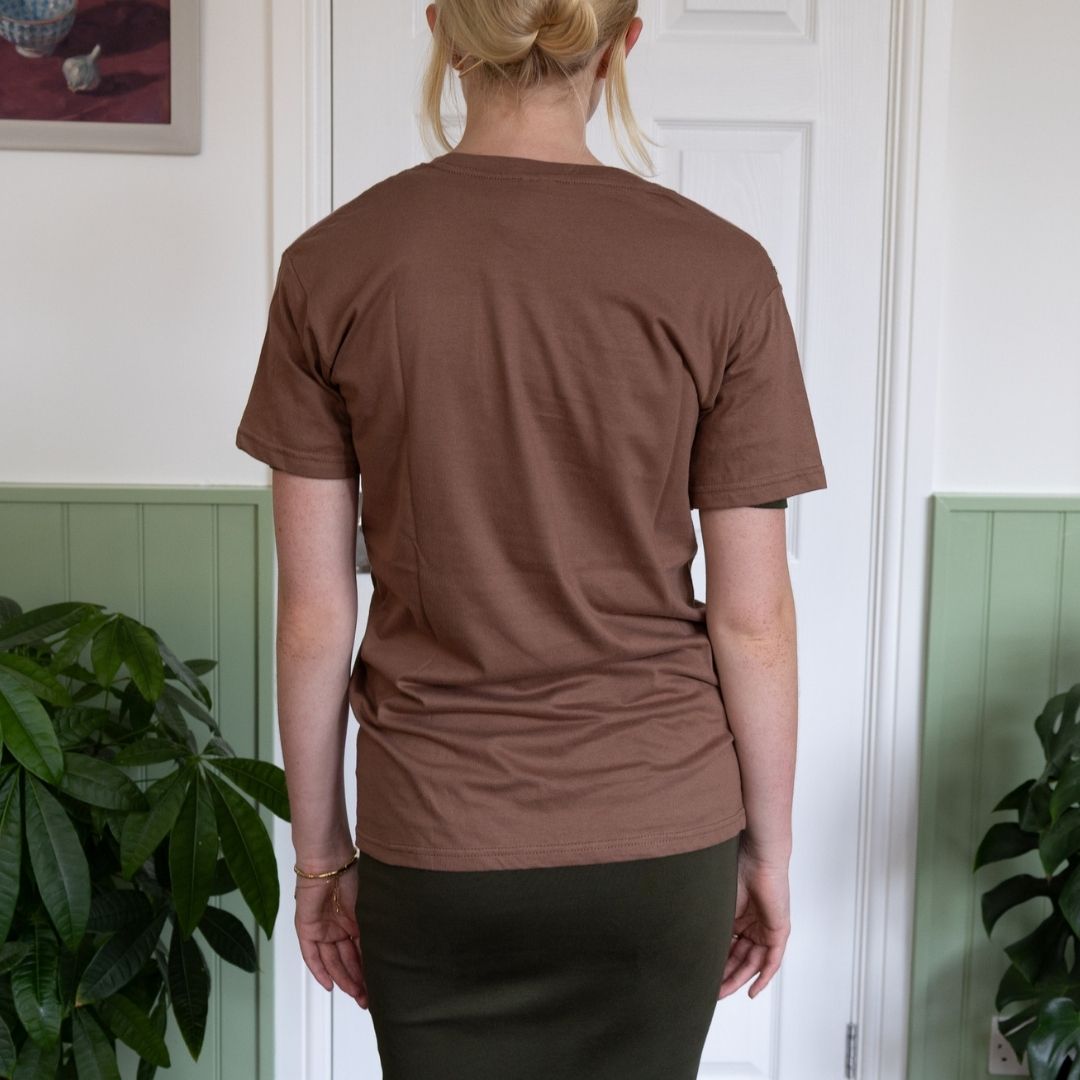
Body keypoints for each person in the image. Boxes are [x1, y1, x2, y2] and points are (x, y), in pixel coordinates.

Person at [234, 1, 827, 1077]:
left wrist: (319, 858)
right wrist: (770, 852)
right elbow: (754, 620)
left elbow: (317, 613)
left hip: (439, 835)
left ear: (444, 31)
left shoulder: (332, 266)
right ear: (622, 42)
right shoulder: (723, 271)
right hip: (659, 837)